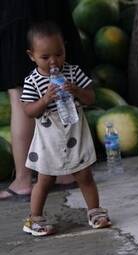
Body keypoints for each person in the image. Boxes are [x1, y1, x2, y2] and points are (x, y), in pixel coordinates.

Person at [21, 20, 110, 236]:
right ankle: (34, 218)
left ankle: (95, 211)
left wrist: (77, 90)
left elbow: (90, 98)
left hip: (74, 132)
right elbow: (29, 110)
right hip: (49, 137)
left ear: (65, 49)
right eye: (45, 57)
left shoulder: (73, 72)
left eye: (59, 54)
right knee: (45, 178)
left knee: (84, 174)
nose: (54, 61)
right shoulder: (32, 81)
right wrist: (45, 99)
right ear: (32, 55)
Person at [0, 0, 84, 201]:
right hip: (52, 10)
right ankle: (66, 172)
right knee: (59, 83)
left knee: (21, 96)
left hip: (17, 12)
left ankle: (23, 179)